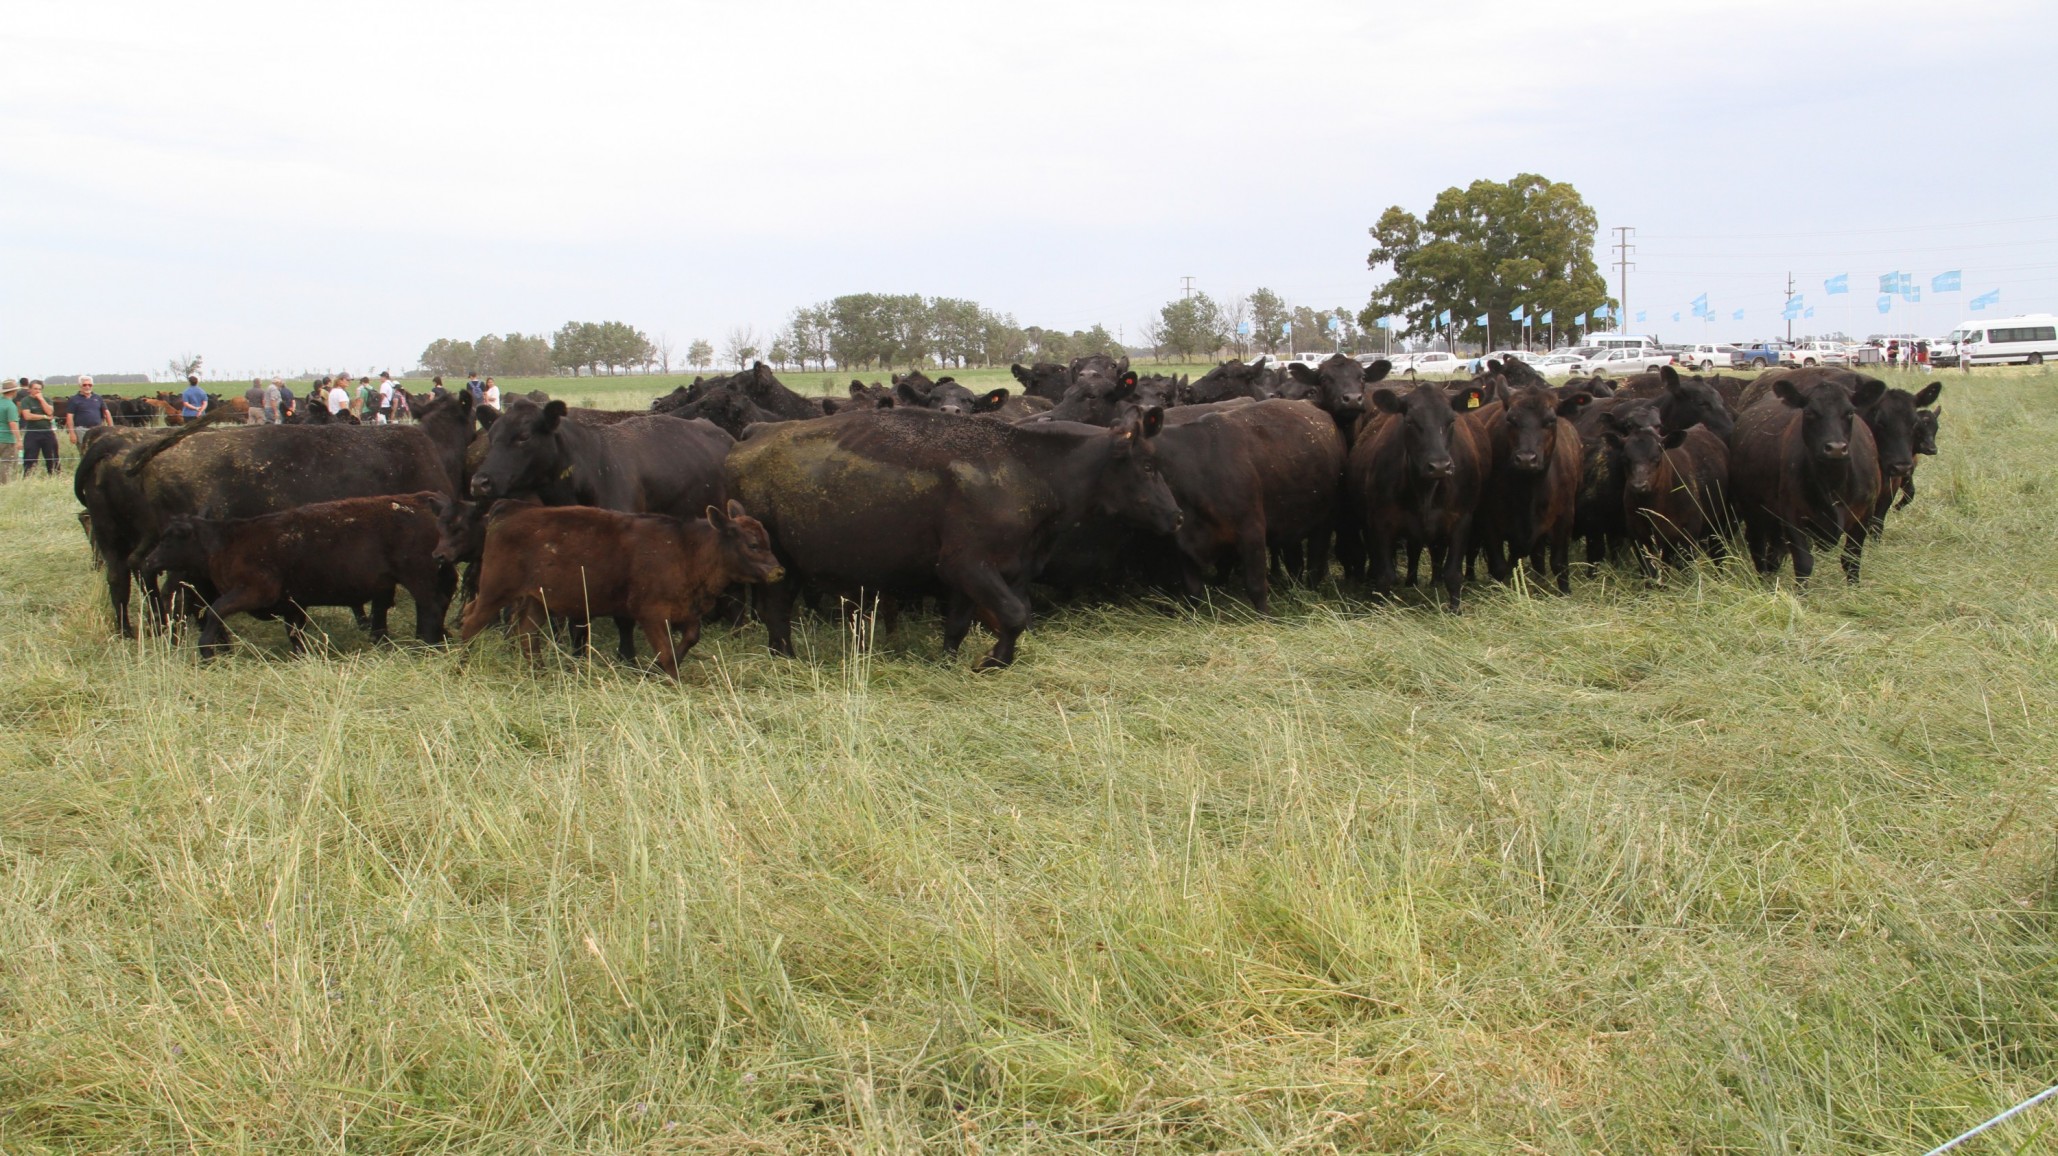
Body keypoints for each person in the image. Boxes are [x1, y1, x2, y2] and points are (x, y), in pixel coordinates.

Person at [17, 379, 60, 475]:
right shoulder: (26, 401)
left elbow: (50, 412)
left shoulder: (47, 399)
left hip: (47, 432)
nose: (37, 391)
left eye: (39, 389)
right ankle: (29, 477)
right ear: (30, 389)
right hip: (32, 432)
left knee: (52, 457)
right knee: (30, 457)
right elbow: (27, 416)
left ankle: (54, 476)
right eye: (35, 389)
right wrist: (44, 416)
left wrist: (41, 399)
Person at [66, 375, 111, 445]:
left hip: (98, 429)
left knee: (98, 449)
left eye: (90, 385)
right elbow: (69, 417)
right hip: (82, 430)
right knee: (84, 450)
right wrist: (72, 433)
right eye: (84, 385)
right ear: (80, 385)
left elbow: (106, 412)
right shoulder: (74, 399)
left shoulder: (98, 398)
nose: (87, 387)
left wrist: (111, 428)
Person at [0, 380, 19, 485]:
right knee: (7, 463)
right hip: (7, 438)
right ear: (13, 391)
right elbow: (12, 423)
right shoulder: (10, 406)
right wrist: (19, 439)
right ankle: (4, 484)